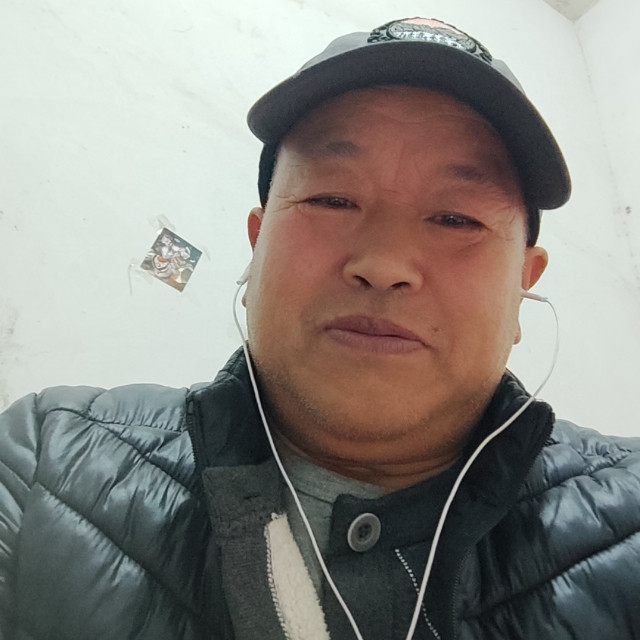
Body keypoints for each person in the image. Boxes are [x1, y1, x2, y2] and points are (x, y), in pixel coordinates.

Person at [1, 16, 638, 640]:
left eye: (455, 219)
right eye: (332, 200)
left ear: (524, 281)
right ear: (257, 244)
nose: (384, 265)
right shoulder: (48, 466)